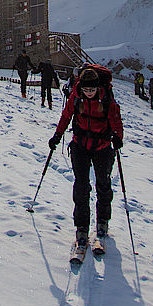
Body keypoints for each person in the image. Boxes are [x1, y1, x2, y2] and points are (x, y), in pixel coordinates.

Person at [48, 66, 124, 252]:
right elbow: (66, 116)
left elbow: (115, 119)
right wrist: (57, 135)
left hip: (102, 147)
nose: (89, 93)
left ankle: (103, 221)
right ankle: (82, 227)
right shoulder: (76, 98)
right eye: (86, 90)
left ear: (98, 88)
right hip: (80, 145)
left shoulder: (106, 99)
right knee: (81, 185)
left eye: (92, 90)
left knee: (103, 183)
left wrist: (117, 137)